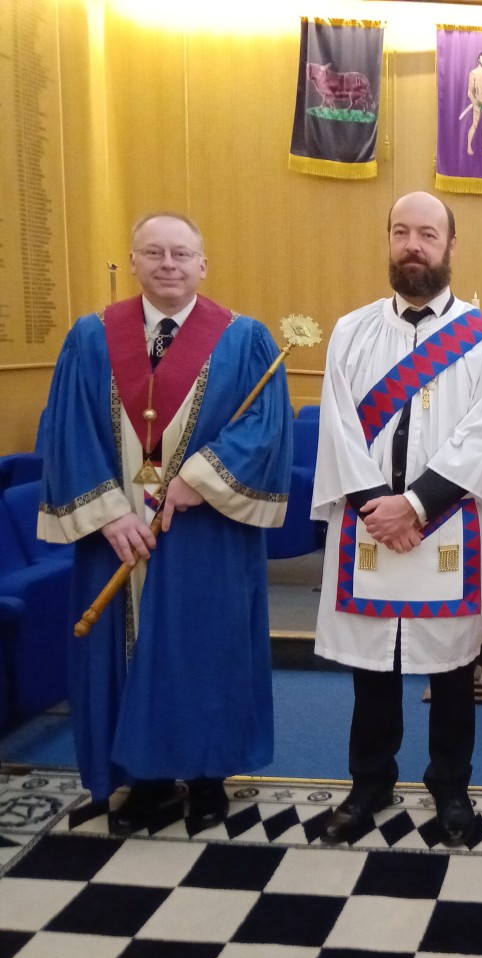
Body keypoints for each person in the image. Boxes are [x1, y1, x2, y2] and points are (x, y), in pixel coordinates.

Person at [38, 211, 293, 835]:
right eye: (154, 253)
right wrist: (108, 512)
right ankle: (144, 781)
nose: (168, 264)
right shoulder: (91, 338)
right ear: (133, 261)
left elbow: (265, 427)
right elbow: (68, 430)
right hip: (118, 534)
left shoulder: (244, 339)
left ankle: (207, 778)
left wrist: (200, 479)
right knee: (124, 648)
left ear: (203, 264)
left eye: (181, 253)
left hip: (208, 530)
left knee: (206, 647)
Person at [312, 191, 482, 847]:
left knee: (452, 671)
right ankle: (369, 782)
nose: (413, 245)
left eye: (428, 234)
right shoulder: (351, 332)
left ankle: (451, 787)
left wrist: (416, 504)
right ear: (388, 240)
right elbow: (338, 428)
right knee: (373, 668)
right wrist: (378, 506)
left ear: (450, 245)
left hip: (446, 525)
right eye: (401, 232)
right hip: (369, 523)